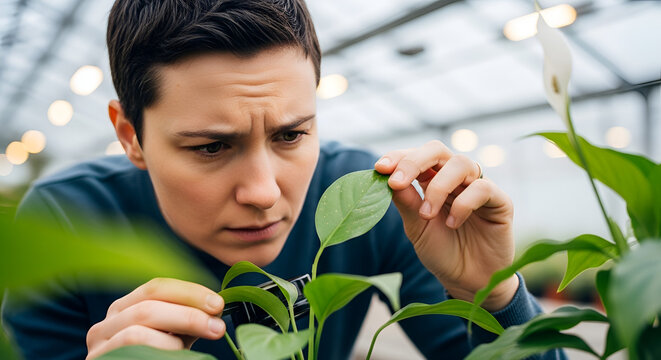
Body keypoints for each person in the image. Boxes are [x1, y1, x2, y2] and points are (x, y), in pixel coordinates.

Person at [2, 1, 565, 359]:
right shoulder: (68, 220)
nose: (265, 192)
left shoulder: (373, 197)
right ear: (130, 136)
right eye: (211, 147)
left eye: (291, 135)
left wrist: (494, 294)